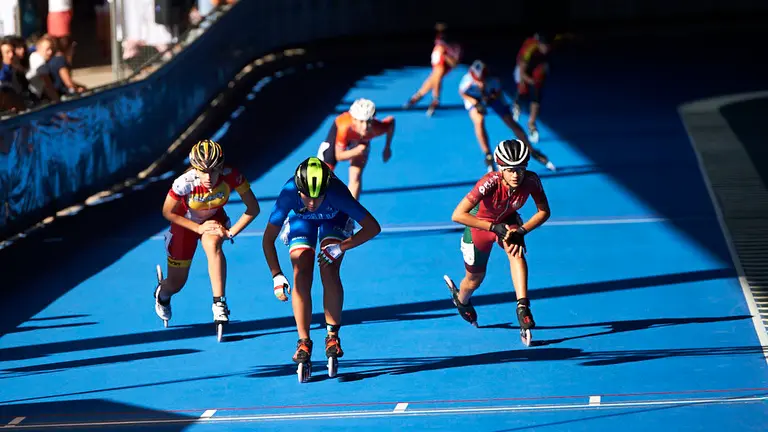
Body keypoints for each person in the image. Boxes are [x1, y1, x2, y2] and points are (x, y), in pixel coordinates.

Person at [262, 156, 381, 382]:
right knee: (301, 270)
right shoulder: (288, 193)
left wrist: (341, 247)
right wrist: (276, 275)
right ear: (298, 191)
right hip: (302, 222)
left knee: (329, 267)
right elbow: (267, 240)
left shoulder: (336, 193)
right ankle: (303, 341)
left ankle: (332, 335)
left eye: (318, 197)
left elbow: (373, 227)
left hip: (334, 218)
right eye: (308, 196)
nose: (313, 203)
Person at [445, 139, 551, 346]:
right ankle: (462, 299)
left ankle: (523, 306)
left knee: (516, 250)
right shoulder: (489, 182)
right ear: (501, 168)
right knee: (475, 278)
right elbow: (457, 215)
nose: (516, 175)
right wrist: (493, 227)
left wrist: (521, 231)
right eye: (510, 170)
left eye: (520, 169)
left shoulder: (531, 181)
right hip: (480, 227)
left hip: (508, 223)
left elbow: (544, 211)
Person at [154, 139, 261, 335]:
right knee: (177, 283)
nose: (208, 177)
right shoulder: (184, 183)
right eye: (202, 172)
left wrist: (230, 232)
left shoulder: (232, 176)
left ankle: (219, 303)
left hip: (213, 219)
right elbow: (168, 212)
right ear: (194, 169)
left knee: (214, 246)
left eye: (213, 170)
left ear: (221, 167)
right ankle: (163, 293)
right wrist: (198, 228)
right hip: (185, 223)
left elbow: (253, 208)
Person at [459, 60, 556, 173]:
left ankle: (532, 150)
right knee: (478, 120)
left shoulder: (494, 82)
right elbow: (462, 93)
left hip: (491, 96)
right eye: (477, 81)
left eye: (482, 81)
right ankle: (488, 155)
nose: (480, 83)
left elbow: (498, 95)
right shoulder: (467, 81)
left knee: (510, 121)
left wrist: (490, 98)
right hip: (474, 98)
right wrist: (476, 102)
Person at [403, 22, 462, 116]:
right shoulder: (439, 38)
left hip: (445, 63)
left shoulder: (454, 46)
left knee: (437, 74)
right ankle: (419, 97)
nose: (439, 32)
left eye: (442, 30)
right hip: (437, 61)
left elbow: (454, 64)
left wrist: (444, 55)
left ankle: (435, 99)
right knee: (431, 80)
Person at [512, 33, 557, 144]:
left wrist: (536, 82)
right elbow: (522, 72)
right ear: (539, 44)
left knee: (537, 92)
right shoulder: (529, 49)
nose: (546, 49)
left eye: (548, 47)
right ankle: (517, 102)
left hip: (538, 65)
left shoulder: (551, 47)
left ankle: (531, 123)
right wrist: (529, 81)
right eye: (544, 46)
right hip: (523, 65)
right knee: (523, 89)